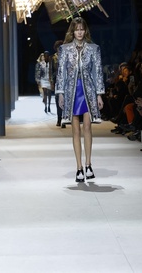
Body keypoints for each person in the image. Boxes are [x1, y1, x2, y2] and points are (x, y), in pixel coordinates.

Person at [55, 17, 104, 183]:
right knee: (75, 130)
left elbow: (97, 72)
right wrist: (60, 93)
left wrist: (99, 94)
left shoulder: (93, 49)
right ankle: (79, 167)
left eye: (82, 29)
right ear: (72, 31)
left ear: (85, 30)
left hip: (88, 90)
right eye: (77, 29)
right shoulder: (64, 49)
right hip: (72, 91)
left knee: (87, 128)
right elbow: (61, 72)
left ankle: (89, 165)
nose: (80, 32)